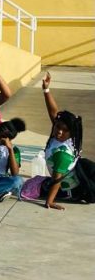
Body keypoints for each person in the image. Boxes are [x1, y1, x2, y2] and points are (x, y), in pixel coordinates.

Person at [40, 72, 87, 208]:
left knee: (30, 187)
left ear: (71, 133)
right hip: (64, 182)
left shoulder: (63, 153)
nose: (59, 132)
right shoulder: (60, 136)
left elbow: (57, 179)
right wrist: (46, 90)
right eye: (58, 127)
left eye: (65, 130)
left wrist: (49, 202)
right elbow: (53, 112)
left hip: (67, 191)